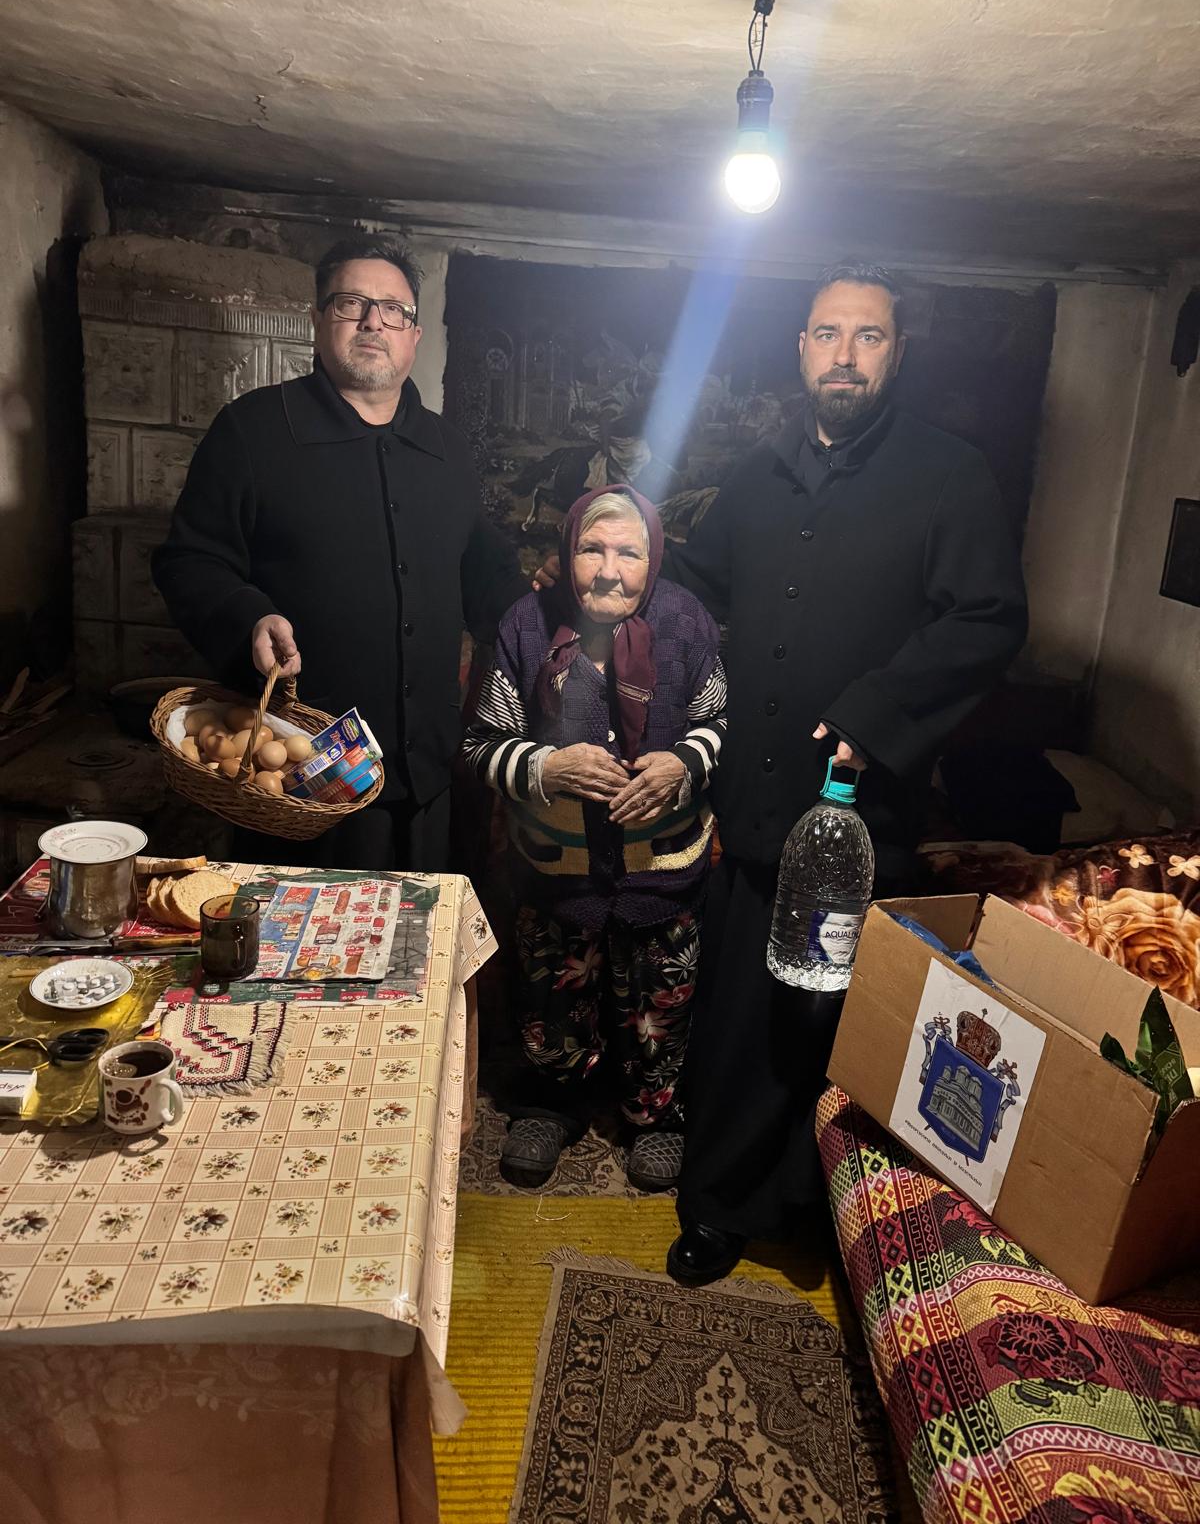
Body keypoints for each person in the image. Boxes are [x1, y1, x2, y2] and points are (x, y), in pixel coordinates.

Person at [535, 260, 1027, 1279]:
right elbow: (691, 585)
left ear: (896, 353)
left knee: (827, 1013)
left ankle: (820, 1213)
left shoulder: (949, 475)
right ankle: (724, 1201)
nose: (844, 354)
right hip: (752, 797)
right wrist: (597, 578)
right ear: (801, 350)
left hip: (857, 810)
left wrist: (875, 715)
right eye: (826, 334)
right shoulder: (760, 474)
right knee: (740, 1012)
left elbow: (989, 618)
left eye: (868, 335)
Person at [153, 235, 527, 872]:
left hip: (428, 774)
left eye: (394, 310)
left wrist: (555, 616)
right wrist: (248, 617)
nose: (374, 321)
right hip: (303, 779)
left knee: (419, 932)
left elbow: (482, 572)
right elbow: (190, 560)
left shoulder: (447, 449)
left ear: (414, 335)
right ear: (319, 319)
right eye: (353, 303)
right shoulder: (253, 430)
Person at [461, 485, 727, 1192]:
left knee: (658, 1000)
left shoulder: (686, 622)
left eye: (628, 553)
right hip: (557, 871)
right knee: (553, 995)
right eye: (592, 549)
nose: (609, 571)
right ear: (566, 550)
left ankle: (655, 1116)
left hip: (660, 869)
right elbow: (483, 744)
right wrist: (545, 767)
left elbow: (718, 723)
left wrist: (683, 763)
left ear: (653, 558)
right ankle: (551, 1104)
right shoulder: (526, 624)